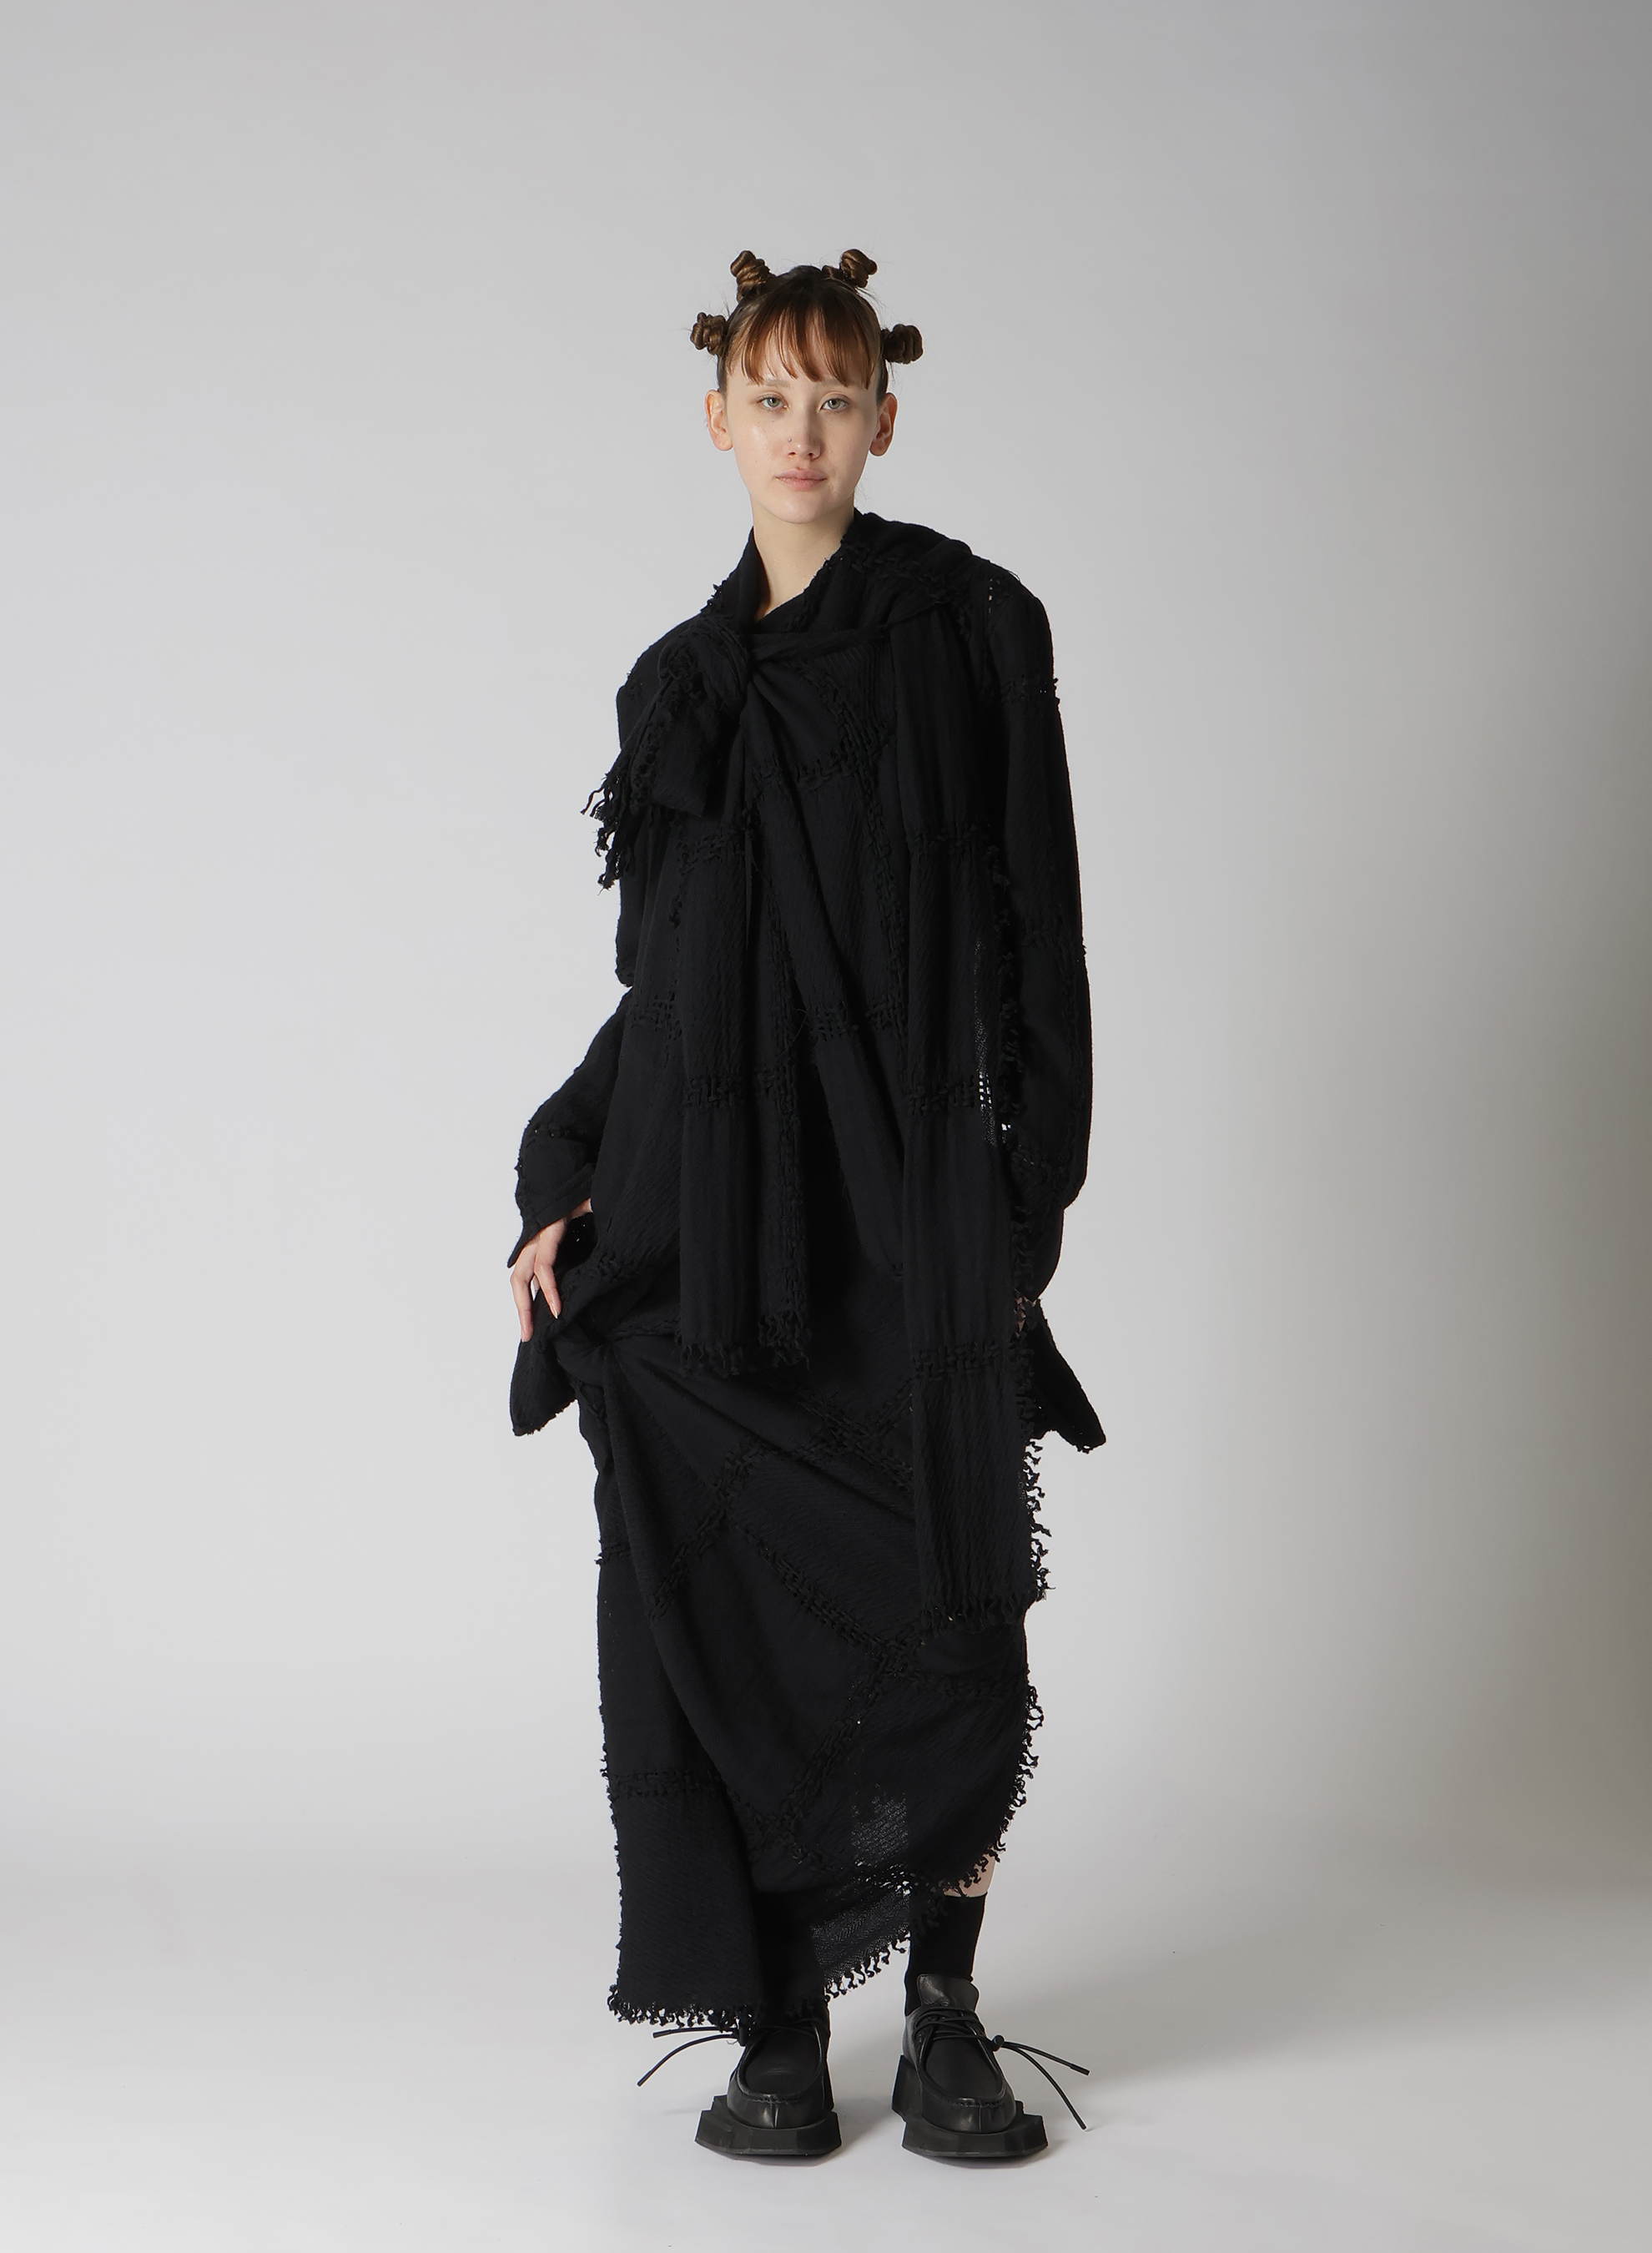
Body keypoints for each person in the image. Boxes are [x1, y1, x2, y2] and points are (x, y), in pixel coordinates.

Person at [506, 249, 1101, 2161]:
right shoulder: (676, 689)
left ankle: (944, 2015)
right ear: (718, 421)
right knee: (719, 1614)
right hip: (711, 1223)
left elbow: (1038, 933)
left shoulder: (972, 627)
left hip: (911, 1207)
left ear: (884, 420)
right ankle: (776, 2025)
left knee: (953, 1613)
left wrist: (1021, 1205)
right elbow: (662, 988)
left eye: (835, 398)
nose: (802, 431)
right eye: (770, 398)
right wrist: (563, 1175)